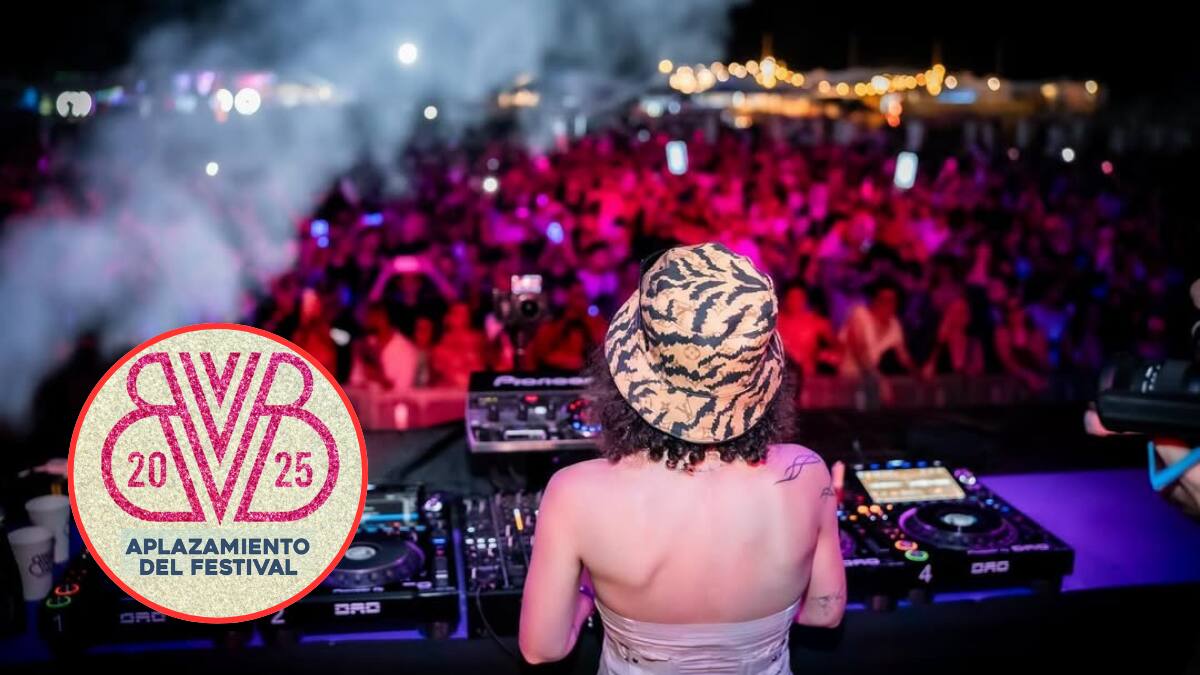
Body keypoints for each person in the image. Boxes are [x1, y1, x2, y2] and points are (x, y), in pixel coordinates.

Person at [519, 243, 845, 672]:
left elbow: (542, 649)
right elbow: (825, 612)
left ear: (627, 372)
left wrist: (586, 597)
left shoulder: (575, 492)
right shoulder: (807, 473)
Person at [838, 279, 919, 378]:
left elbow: (903, 356)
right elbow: (860, 352)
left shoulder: (894, 324)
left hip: (871, 378)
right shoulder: (859, 315)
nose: (888, 305)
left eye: (892, 301)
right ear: (875, 301)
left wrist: (918, 374)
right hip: (849, 377)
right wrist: (877, 380)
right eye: (883, 300)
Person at [777, 284, 840, 377]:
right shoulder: (775, 322)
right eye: (792, 298)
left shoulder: (816, 322)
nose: (795, 302)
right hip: (779, 376)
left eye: (799, 298)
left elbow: (837, 347)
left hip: (808, 376)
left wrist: (826, 356)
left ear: (805, 300)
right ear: (784, 299)